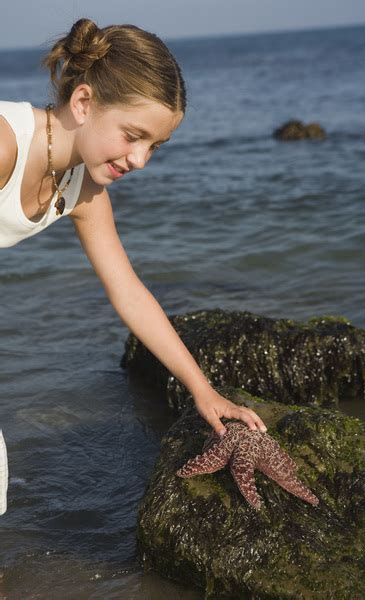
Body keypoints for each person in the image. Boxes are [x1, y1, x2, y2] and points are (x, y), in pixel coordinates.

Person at [0, 18, 268, 515]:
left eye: (154, 147)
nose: (140, 159)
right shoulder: (4, 144)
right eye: (132, 135)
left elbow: (128, 291)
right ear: (84, 103)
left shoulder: (82, 188)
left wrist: (202, 390)